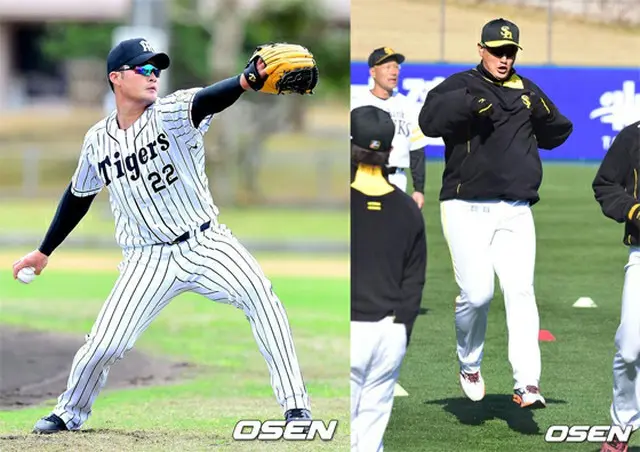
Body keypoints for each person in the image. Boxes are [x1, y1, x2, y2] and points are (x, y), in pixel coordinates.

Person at [13, 37, 312, 434]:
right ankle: (69, 412)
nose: (155, 76)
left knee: (262, 299)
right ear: (116, 79)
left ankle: (296, 408)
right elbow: (77, 196)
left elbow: (208, 99)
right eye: (145, 69)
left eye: (158, 69)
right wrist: (43, 250)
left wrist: (244, 81)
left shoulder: (171, 111)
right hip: (145, 259)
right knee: (105, 346)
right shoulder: (97, 141)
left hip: (206, 242)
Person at [418, 18, 573, 408]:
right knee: (478, 293)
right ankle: (469, 363)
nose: (504, 59)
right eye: (497, 50)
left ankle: (528, 382)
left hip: (516, 209)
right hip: (466, 205)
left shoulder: (526, 89)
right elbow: (428, 121)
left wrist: (543, 112)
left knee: (521, 292)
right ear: (481, 49)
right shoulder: (461, 84)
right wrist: (466, 106)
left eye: (510, 52)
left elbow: (559, 133)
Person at [350, 105, 427, 451]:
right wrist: (402, 329)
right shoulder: (407, 209)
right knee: (371, 435)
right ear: (390, 152)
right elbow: (415, 280)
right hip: (390, 332)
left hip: (350, 329)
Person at [593, 120, 640, 452]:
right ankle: (622, 424)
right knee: (629, 348)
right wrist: (633, 210)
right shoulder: (633, 136)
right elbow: (605, 184)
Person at [351, 47, 427, 209]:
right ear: (373, 72)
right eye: (387, 67)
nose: (394, 72)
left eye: (396, 67)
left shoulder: (408, 106)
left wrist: (419, 189)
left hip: (397, 178)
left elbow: (417, 150)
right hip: (364, 176)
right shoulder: (357, 103)